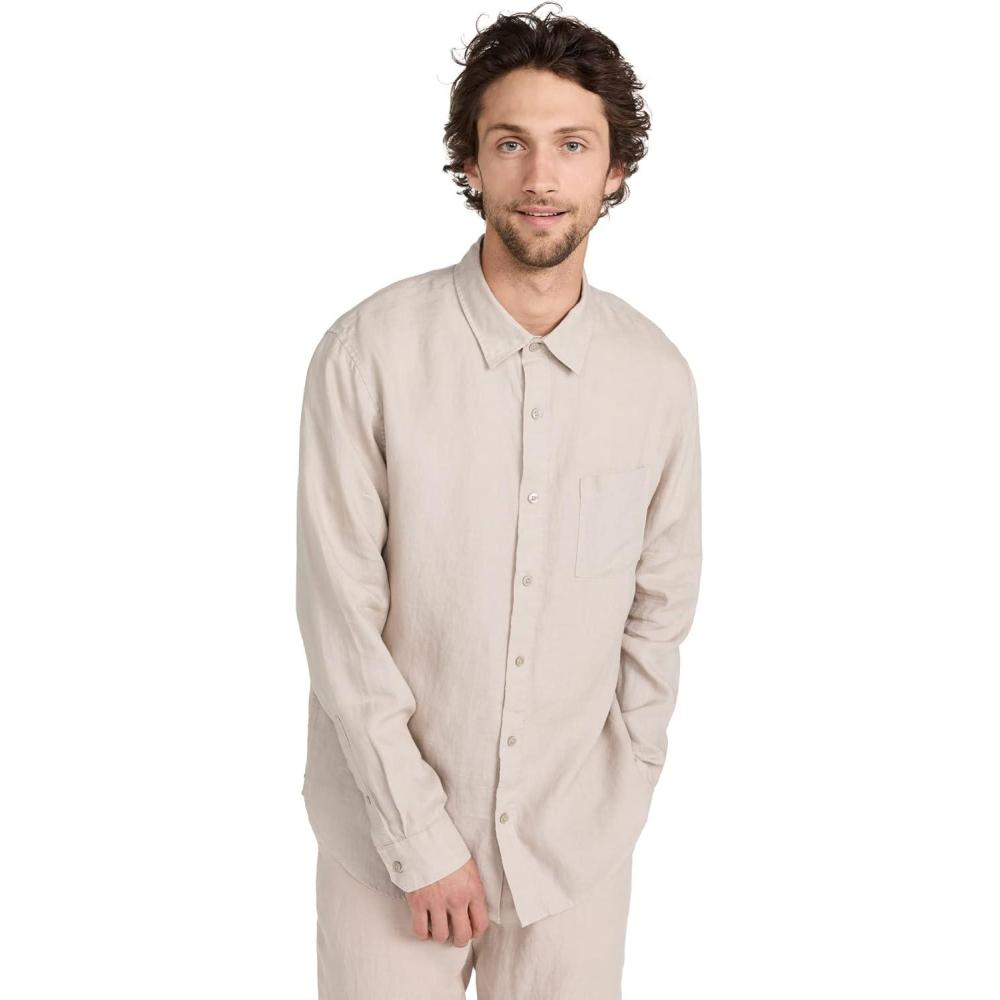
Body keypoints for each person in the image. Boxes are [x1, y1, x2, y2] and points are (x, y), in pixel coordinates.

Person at [295, 5, 703, 997]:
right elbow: (340, 620)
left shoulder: (655, 378)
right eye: (511, 143)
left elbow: (659, 613)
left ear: (615, 170)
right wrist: (419, 838)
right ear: (470, 163)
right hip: (384, 852)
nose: (540, 178)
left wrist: (624, 785)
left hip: (575, 855)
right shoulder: (368, 355)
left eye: (573, 145)